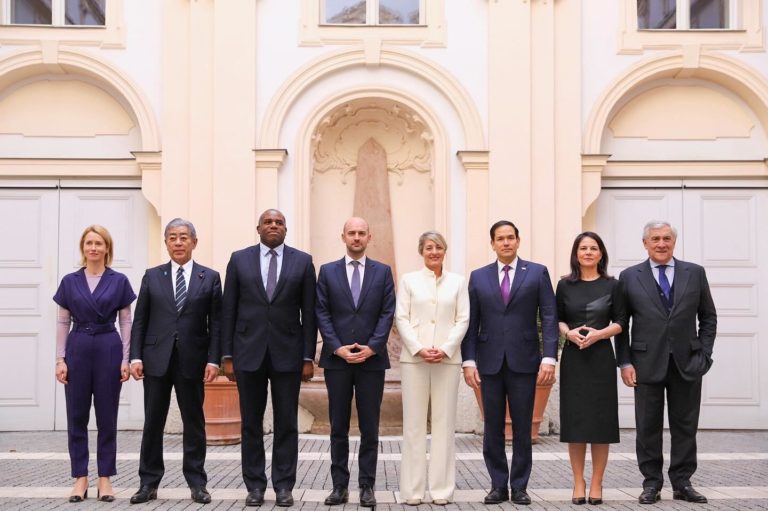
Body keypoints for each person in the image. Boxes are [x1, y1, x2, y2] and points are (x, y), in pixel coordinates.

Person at [616, 221, 717, 505]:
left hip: (687, 362)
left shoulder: (694, 273)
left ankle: (682, 482)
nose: (662, 243)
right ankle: (651, 483)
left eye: (667, 238)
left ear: (674, 241)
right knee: (647, 426)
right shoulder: (629, 276)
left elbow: (708, 317)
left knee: (685, 425)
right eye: (655, 239)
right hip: (645, 361)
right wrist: (624, 362)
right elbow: (621, 323)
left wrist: (704, 354)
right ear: (645, 243)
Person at [221, 209, 317, 508]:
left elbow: (309, 313)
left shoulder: (302, 262)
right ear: (258, 228)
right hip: (248, 353)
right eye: (268, 222)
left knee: (286, 422)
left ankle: (284, 486)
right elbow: (229, 309)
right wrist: (227, 354)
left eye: (279, 223)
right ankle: (255, 486)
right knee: (251, 422)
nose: (273, 226)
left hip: (288, 354)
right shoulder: (239, 259)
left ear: (285, 229)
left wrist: (307, 356)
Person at [460, 220, 558, 506]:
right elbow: (472, 322)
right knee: (492, 427)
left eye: (510, 238)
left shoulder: (537, 273)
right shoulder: (478, 277)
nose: (506, 243)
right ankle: (497, 485)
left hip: (525, 362)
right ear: (492, 243)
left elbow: (549, 317)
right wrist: (468, 361)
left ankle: (520, 486)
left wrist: (549, 357)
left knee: (522, 426)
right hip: (489, 363)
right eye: (500, 239)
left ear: (518, 240)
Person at [128, 218, 222, 505]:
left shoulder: (211, 277)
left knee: (194, 422)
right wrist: (135, 356)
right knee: (153, 422)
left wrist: (214, 361)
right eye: (172, 237)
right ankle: (148, 482)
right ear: (166, 243)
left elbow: (217, 324)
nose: (178, 242)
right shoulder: (152, 276)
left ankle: (197, 482)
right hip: (156, 360)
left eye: (183, 237)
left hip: (193, 361)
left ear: (194, 242)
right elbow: (140, 320)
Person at [315, 217, 395, 508]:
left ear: (369, 237)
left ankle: (367, 486)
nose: (357, 237)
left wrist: (373, 348)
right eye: (352, 233)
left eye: (362, 233)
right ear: (343, 237)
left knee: (370, 427)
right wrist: (337, 348)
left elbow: (388, 312)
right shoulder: (327, 272)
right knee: (338, 426)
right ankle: (339, 487)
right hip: (337, 362)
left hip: (371, 362)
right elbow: (321, 312)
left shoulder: (383, 272)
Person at [53, 225, 136, 503]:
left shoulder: (119, 280)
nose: (93, 248)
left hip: (108, 347)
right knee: (76, 416)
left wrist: (125, 359)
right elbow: (63, 321)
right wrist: (60, 359)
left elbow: (126, 321)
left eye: (99, 243)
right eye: (89, 243)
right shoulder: (69, 281)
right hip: (77, 347)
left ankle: (105, 479)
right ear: (83, 247)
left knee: (106, 417)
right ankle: (80, 478)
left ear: (107, 248)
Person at [395, 231, 469, 506]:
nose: (433, 252)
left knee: (444, 425)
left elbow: (463, 318)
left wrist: (447, 347)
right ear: (421, 251)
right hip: (414, 360)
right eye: (428, 247)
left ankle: (441, 490)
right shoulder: (409, 281)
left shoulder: (458, 282)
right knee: (413, 427)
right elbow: (401, 316)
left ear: (445, 250)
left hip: (447, 360)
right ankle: (412, 491)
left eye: (438, 247)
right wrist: (418, 347)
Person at [556, 232, 627, 505]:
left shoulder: (613, 285)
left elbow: (621, 321)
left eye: (593, 248)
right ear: (576, 254)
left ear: (601, 254)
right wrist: (568, 334)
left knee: (600, 424)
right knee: (576, 424)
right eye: (583, 248)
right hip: (574, 359)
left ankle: (597, 482)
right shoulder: (564, 285)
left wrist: (599, 335)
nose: (587, 252)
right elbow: (557, 318)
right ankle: (578, 481)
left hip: (600, 359)